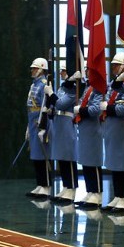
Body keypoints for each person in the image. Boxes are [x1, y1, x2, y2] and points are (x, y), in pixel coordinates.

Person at [100, 52, 124, 214]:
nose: (113, 68)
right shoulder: (114, 84)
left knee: (122, 162)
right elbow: (107, 98)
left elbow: (123, 108)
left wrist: (108, 108)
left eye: (116, 65)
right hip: (111, 126)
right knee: (113, 161)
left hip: (122, 127)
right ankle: (118, 195)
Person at [45, 65, 80, 203]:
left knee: (68, 157)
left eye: (63, 71)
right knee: (61, 157)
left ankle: (71, 188)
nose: (61, 73)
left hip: (67, 123)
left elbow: (60, 103)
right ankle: (66, 186)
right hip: (59, 123)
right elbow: (55, 106)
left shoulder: (72, 90)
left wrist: (51, 94)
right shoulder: (62, 88)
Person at [73, 70, 104, 208]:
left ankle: (97, 193)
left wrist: (81, 110)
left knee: (93, 161)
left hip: (93, 129)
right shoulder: (87, 88)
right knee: (85, 160)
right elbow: (81, 103)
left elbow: (95, 110)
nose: (87, 73)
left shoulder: (97, 90)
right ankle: (90, 191)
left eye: (89, 71)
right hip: (85, 129)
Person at [25, 58, 51, 198]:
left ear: (42, 69)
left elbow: (45, 107)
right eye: (32, 68)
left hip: (40, 123)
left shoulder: (44, 85)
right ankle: (40, 184)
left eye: (35, 68)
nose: (33, 70)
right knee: (35, 155)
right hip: (32, 121)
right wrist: (28, 128)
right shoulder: (33, 85)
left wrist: (43, 126)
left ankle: (46, 185)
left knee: (42, 155)